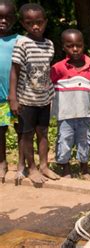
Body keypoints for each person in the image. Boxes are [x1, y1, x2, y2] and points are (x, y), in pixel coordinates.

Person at [9, 3, 59, 184]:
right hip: (26, 99)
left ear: (45, 22)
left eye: (39, 22)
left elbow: (46, 70)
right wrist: (13, 98)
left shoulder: (49, 44)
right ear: (23, 24)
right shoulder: (22, 43)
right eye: (30, 23)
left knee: (43, 132)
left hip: (44, 98)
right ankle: (31, 168)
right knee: (27, 135)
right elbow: (14, 71)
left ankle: (44, 165)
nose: (35, 26)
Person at [50, 29, 90, 179]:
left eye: (79, 45)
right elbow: (48, 89)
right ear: (63, 47)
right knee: (64, 140)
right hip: (65, 114)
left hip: (85, 113)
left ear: (84, 45)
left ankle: (84, 169)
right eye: (70, 46)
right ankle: (65, 169)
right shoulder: (58, 68)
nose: (75, 49)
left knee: (85, 141)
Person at [0, 0, 18, 183]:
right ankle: (2, 162)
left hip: (17, 97)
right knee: (0, 131)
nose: (3, 21)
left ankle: (23, 164)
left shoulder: (19, 40)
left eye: (8, 17)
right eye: (0, 17)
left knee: (22, 130)